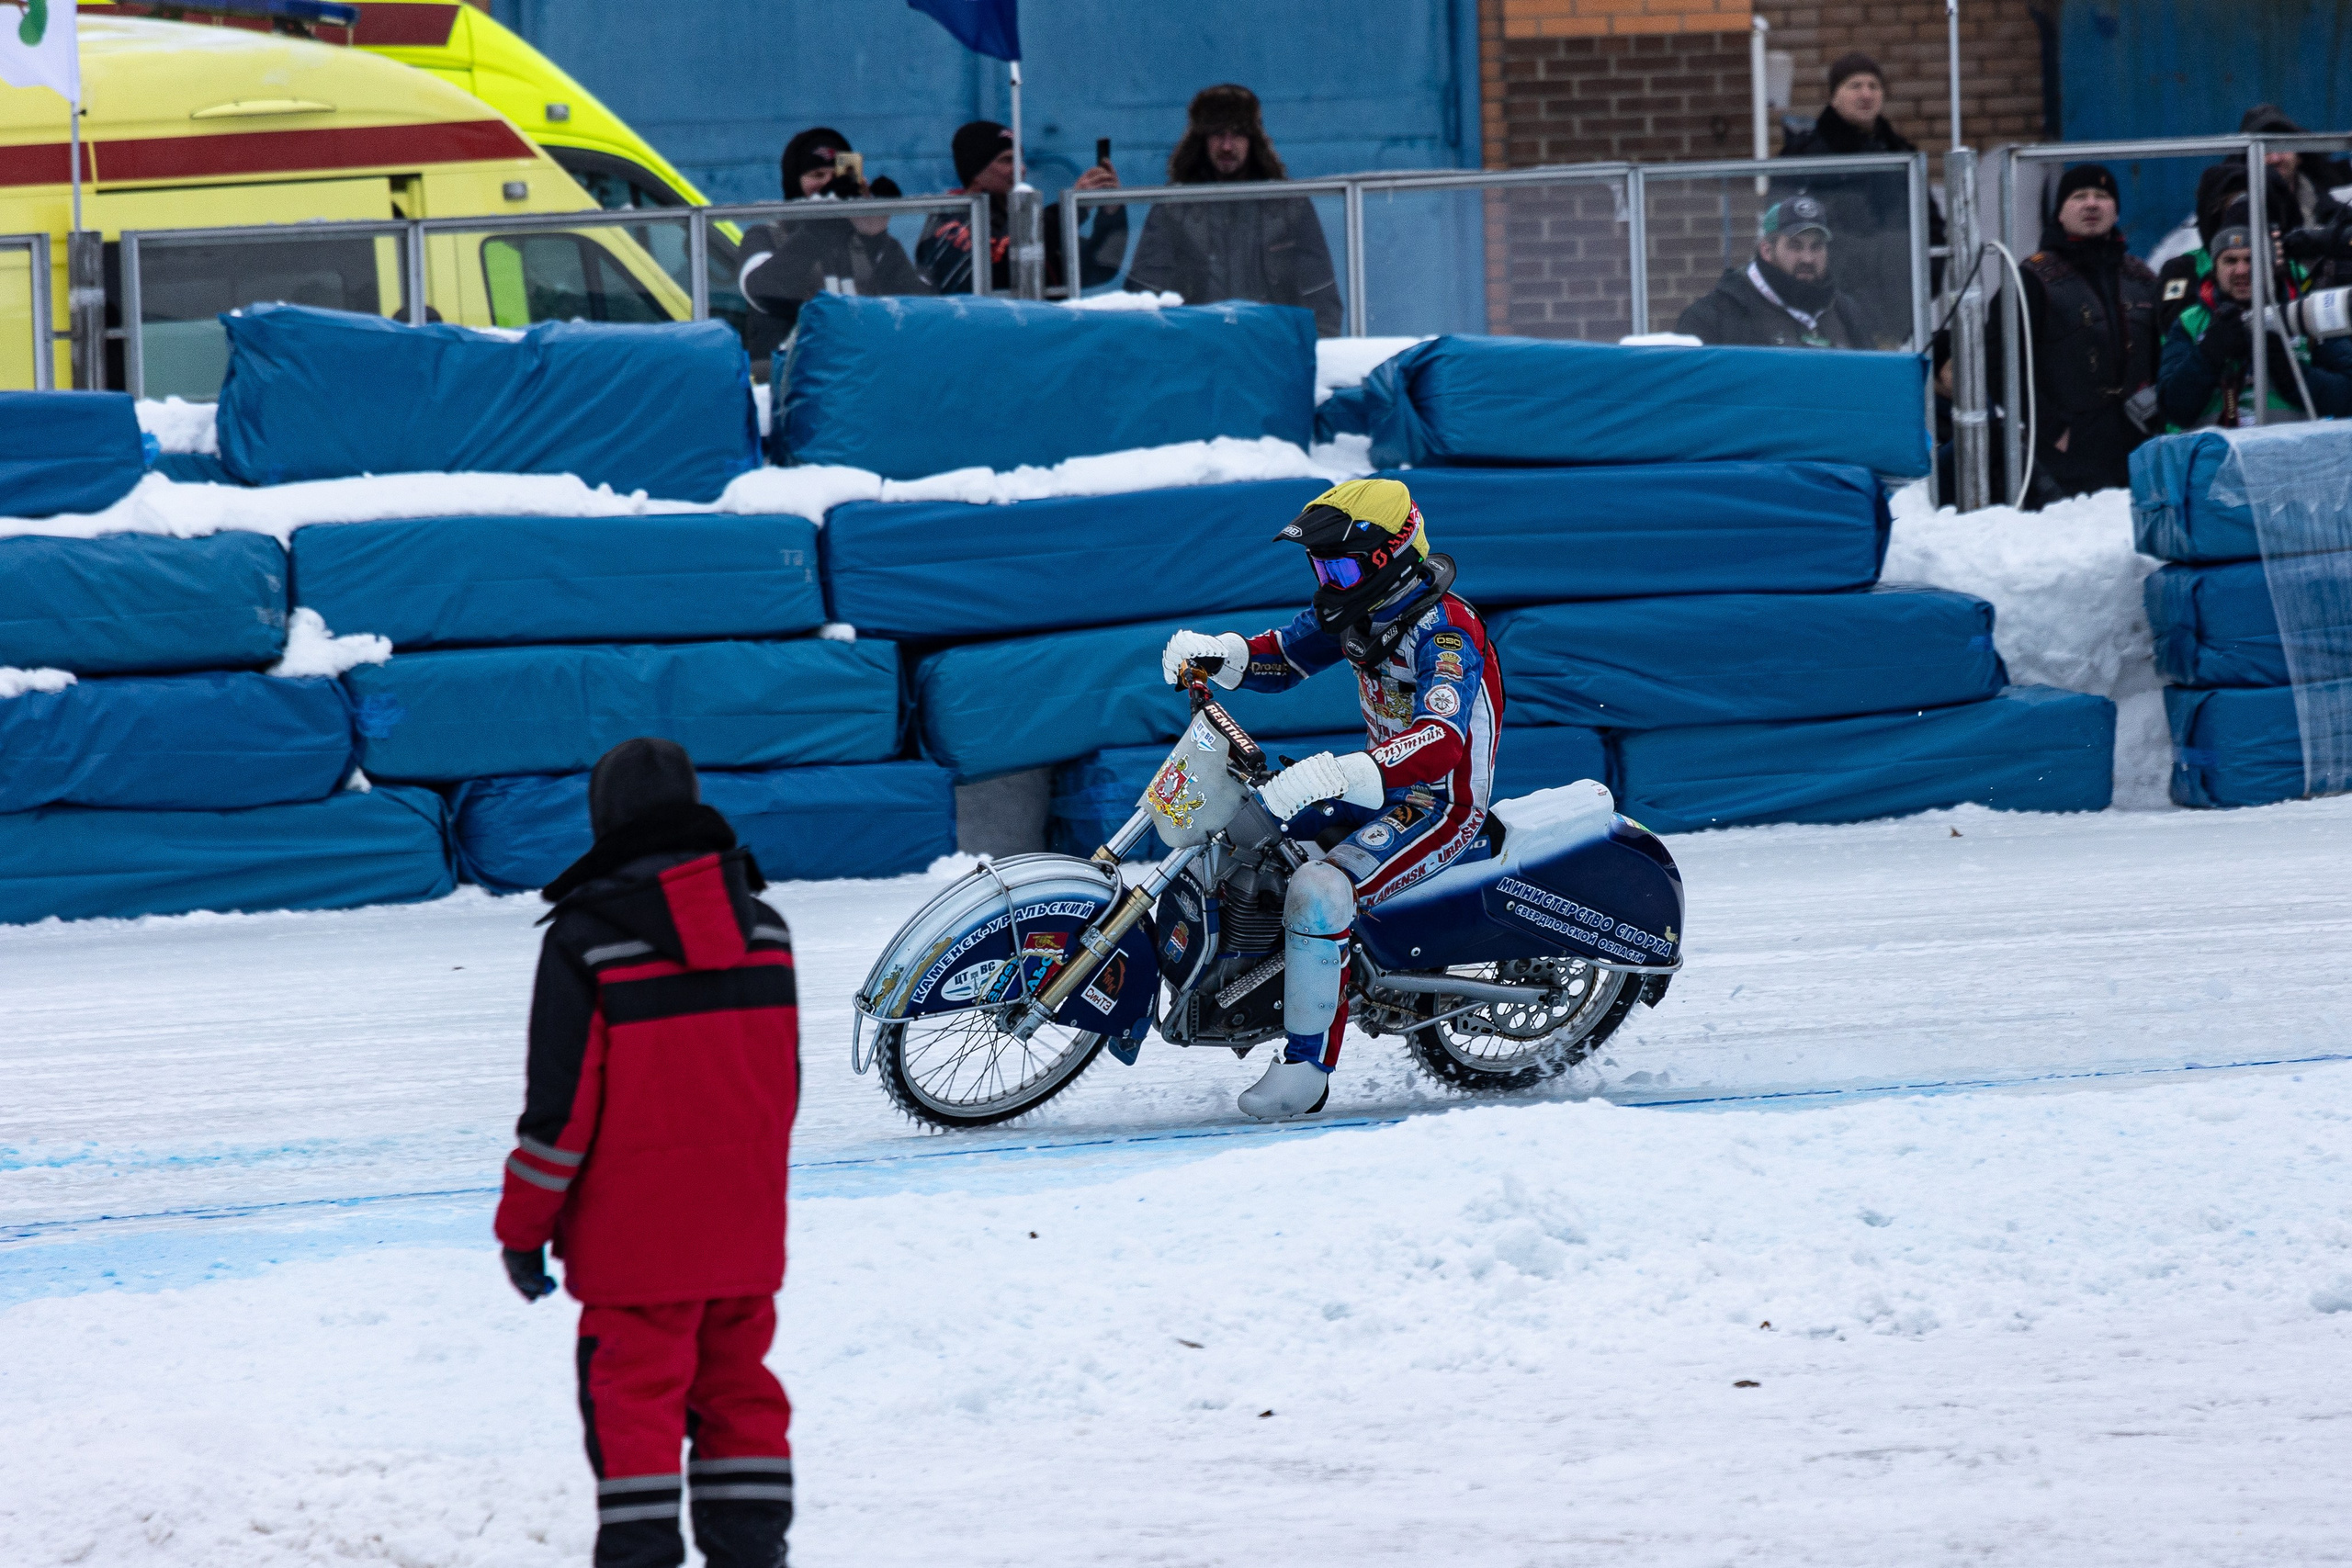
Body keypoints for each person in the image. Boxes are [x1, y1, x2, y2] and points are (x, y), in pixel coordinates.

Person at [495, 738, 800, 1568]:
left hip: (633, 1246)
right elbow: (781, 1087)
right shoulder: (766, 930)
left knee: (633, 1405)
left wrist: (523, 1229)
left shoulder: (585, 941)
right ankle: (754, 1555)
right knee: (741, 1395)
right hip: (742, 1230)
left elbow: (560, 1115)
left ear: (604, 818)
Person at [1159, 479, 1502, 1122]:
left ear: (1387, 559)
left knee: (1318, 888)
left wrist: (1339, 773)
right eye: (1319, 567)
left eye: (1338, 567)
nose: (1327, 581)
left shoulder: (1447, 632)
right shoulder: (1361, 611)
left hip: (1439, 804)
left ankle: (1307, 1070)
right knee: (1248, 825)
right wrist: (1218, 654)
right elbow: (1284, 656)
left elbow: (1441, 741)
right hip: (1381, 785)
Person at [1122, 84, 1343, 335]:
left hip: (1270, 349)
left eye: (1237, 134)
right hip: (1197, 350)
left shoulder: (1289, 206)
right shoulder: (1173, 208)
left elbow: (1321, 301)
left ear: (1253, 140)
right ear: (1202, 140)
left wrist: (1315, 353)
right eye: (1217, 133)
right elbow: (1142, 299)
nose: (1227, 146)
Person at [2016, 164, 2160, 502]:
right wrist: (2053, 429)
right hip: (2066, 458)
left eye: (2102, 196)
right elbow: (2002, 364)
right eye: (2079, 196)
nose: (2092, 204)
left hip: (2140, 444)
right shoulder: (2032, 279)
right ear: (2060, 212)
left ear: (2116, 210)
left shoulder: (2142, 277)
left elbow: (2166, 354)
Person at [1776, 51, 1943, 338]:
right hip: (1827, 315)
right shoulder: (1804, 157)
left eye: (1873, 86)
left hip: (1895, 315)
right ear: (1834, 97)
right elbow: (1782, 231)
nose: (1866, 94)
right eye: (1855, 86)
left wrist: (1922, 286)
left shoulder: (1903, 156)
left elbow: (1933, 229)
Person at [2156, 200, 2352, 430]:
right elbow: (2173, 410)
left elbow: (2348, 398)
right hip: (2219, 453)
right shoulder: (2190, 322)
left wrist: (2293, 376)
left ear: (2271, 264)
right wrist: (2208, 354)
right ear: (2214, 268)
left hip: (2295, 452)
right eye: (2230, 260)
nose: (2241, 270)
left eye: (2251, 259)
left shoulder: (2309, 315)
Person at [736, 127, 928, 361]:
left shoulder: (869, 241)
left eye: (837, 177)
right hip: (794, 374)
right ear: (795, 182)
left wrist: (876, 239)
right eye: (817, 175)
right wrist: (819, 225)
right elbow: (762, 292)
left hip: (866, 372)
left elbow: (919, 310)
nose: (829, 184)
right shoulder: (766, 236)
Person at [915, 119, 1126, 295]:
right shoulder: (949, 223)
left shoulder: (1019, 219)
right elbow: (1006, 266)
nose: (1021, 169)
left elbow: (1099, 266)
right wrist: (1073, 209)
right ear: (976, 172)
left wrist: (1111, 213)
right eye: (1007, 160)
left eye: (1020, 159)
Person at [1674, 196, 1874, 348]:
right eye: (1795, 246)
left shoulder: (1846, 312)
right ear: (1767, 251)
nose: (1808, 258)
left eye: (1816, 247)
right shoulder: (1715, 315)